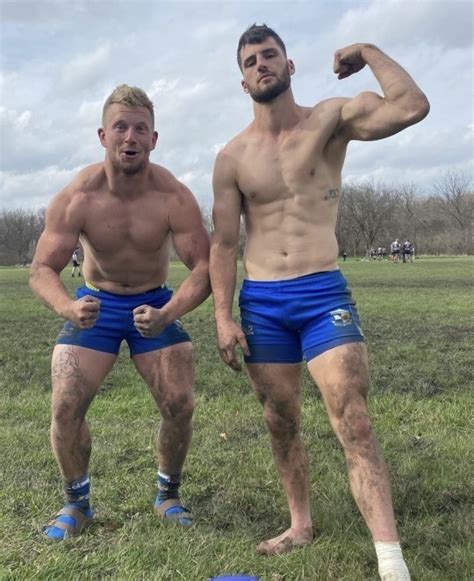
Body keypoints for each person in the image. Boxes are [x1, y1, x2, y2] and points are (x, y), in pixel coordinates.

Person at [210, 24, 429, 580]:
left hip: (321, 291)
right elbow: (224, 244)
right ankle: (300, 524)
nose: (261, 65)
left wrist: (370, 52)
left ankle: (391, 560)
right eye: (250, 61)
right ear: (242, 81)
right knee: (280, 420)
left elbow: (412, 106)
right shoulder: (232, 157)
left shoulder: (330, 120)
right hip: (263, 301)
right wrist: (222, 316)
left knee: (353, 418)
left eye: (269, 56)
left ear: (289, 65)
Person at [29, 84, 210, 540]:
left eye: (140, 129)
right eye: (120, 127)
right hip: (95, 303)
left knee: (179, 403)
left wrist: (169, 313)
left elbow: (206, 268)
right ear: (102, 135)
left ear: (154, 139)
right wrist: (68, 306)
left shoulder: (173, 196)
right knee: (65, 405)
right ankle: (77, 504)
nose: (130, 137)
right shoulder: (78, 196)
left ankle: (168, 495)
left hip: (155, 301)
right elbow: (41, 269)